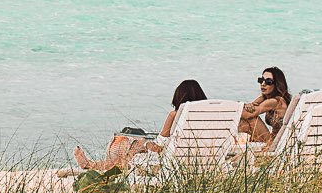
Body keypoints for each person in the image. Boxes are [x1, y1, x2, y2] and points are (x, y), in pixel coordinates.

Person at [75, 79, 208, 175]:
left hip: (172, 157)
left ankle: (91, 165)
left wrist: (146, 144)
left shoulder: (174, 115)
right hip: (204, 159)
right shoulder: (211, 116)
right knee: (136, 146)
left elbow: (160, 144)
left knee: (132, 143)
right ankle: (94, 165)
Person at [240, 65, 291, 145]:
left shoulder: (275, 101)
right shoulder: (265, 98)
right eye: (261, 80)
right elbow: (250, 108)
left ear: (277, 84)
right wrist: (246, 105)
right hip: (273, 140)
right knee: (244, 123)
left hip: (277, 144)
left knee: (251, 118)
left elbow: (247, 114)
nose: (263, 84)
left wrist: (236, 107)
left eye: (268, 82)